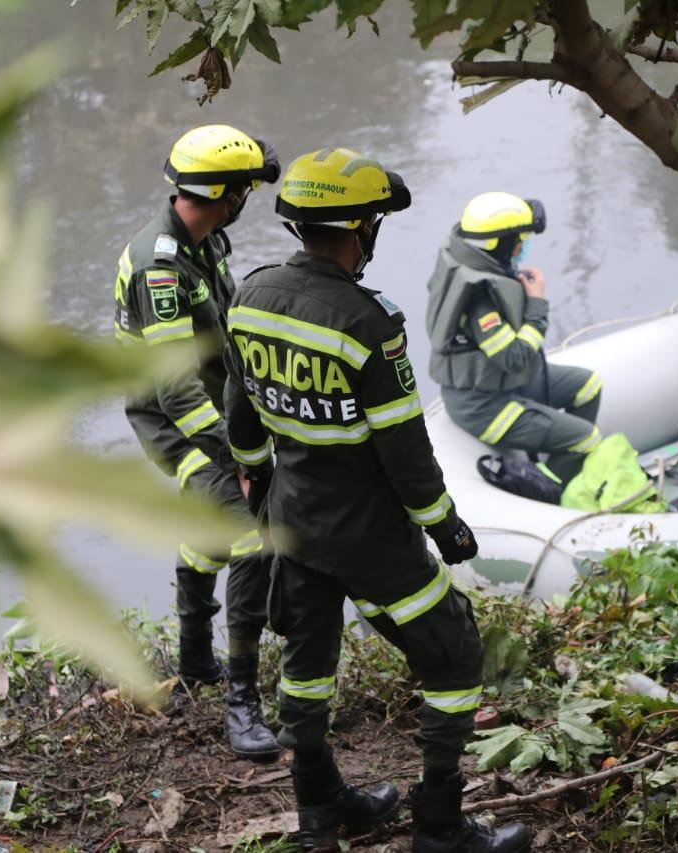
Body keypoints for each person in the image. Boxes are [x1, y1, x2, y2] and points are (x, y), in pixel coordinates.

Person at [222, 148, 529, 853]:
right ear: (362, 228)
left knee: (305, 666)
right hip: (372, 539)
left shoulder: (250, 295)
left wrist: (255, 477)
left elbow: (241, 415)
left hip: (292, 522)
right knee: (452, 656)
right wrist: (444, 525)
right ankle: (441, 825)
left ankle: (319, 814)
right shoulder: (370, 322)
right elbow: (403, 451)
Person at [112, 124, 280, 759]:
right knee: (251, 538)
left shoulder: (204, 241)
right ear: (223, 194)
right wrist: (241, 460)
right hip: (177, 425)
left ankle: (192, 662)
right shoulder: (161, 269)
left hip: (218, 412)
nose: (246, 200)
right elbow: (177, 391)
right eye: (242, 190)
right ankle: (242, 701)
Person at [425, 192, 603, 486]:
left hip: (497, 384)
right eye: (520, 240)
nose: (523, 247)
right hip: (482, 406)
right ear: (500, 245)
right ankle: (551, 493)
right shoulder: (479, 299)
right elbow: (515, 358)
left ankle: (559, 464)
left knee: (589, 386)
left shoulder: (473, 267)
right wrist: (536, 305)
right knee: (587, 439)